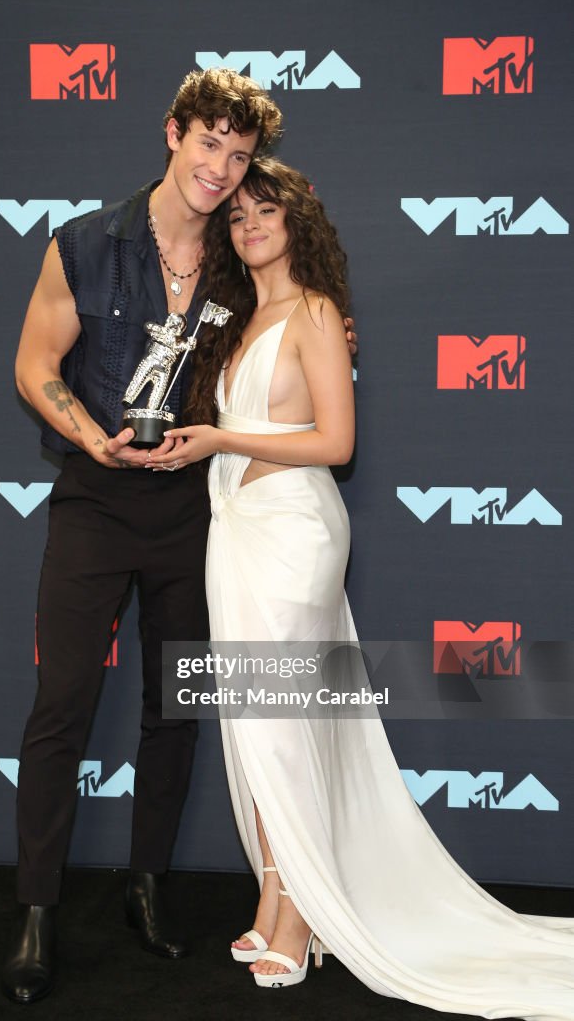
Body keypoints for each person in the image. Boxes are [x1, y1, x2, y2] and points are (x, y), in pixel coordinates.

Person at [149, 159, 574, 1018]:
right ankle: (275, 894)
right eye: (238, 219)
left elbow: (334, 444)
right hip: (233, 533)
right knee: (256, 724)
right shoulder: (235, 320)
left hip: (294, 537)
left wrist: (222, 438)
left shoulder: (312, 313)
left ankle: (302, 914)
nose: (250, 227)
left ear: (298, 223)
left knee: (285, 725)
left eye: (265, 212)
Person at [0, 68, 286, 1005]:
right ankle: (36, 915)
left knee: (175, 709)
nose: (220, 168)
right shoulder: (84, 243)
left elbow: (288, 334)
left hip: (190, 510)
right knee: (63, 703)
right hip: (91, 498)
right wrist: (94, 439)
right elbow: (36, 363)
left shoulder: (242, 262)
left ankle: (147, 890)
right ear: (172, 133)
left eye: (238, 156)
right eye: (208, 143)